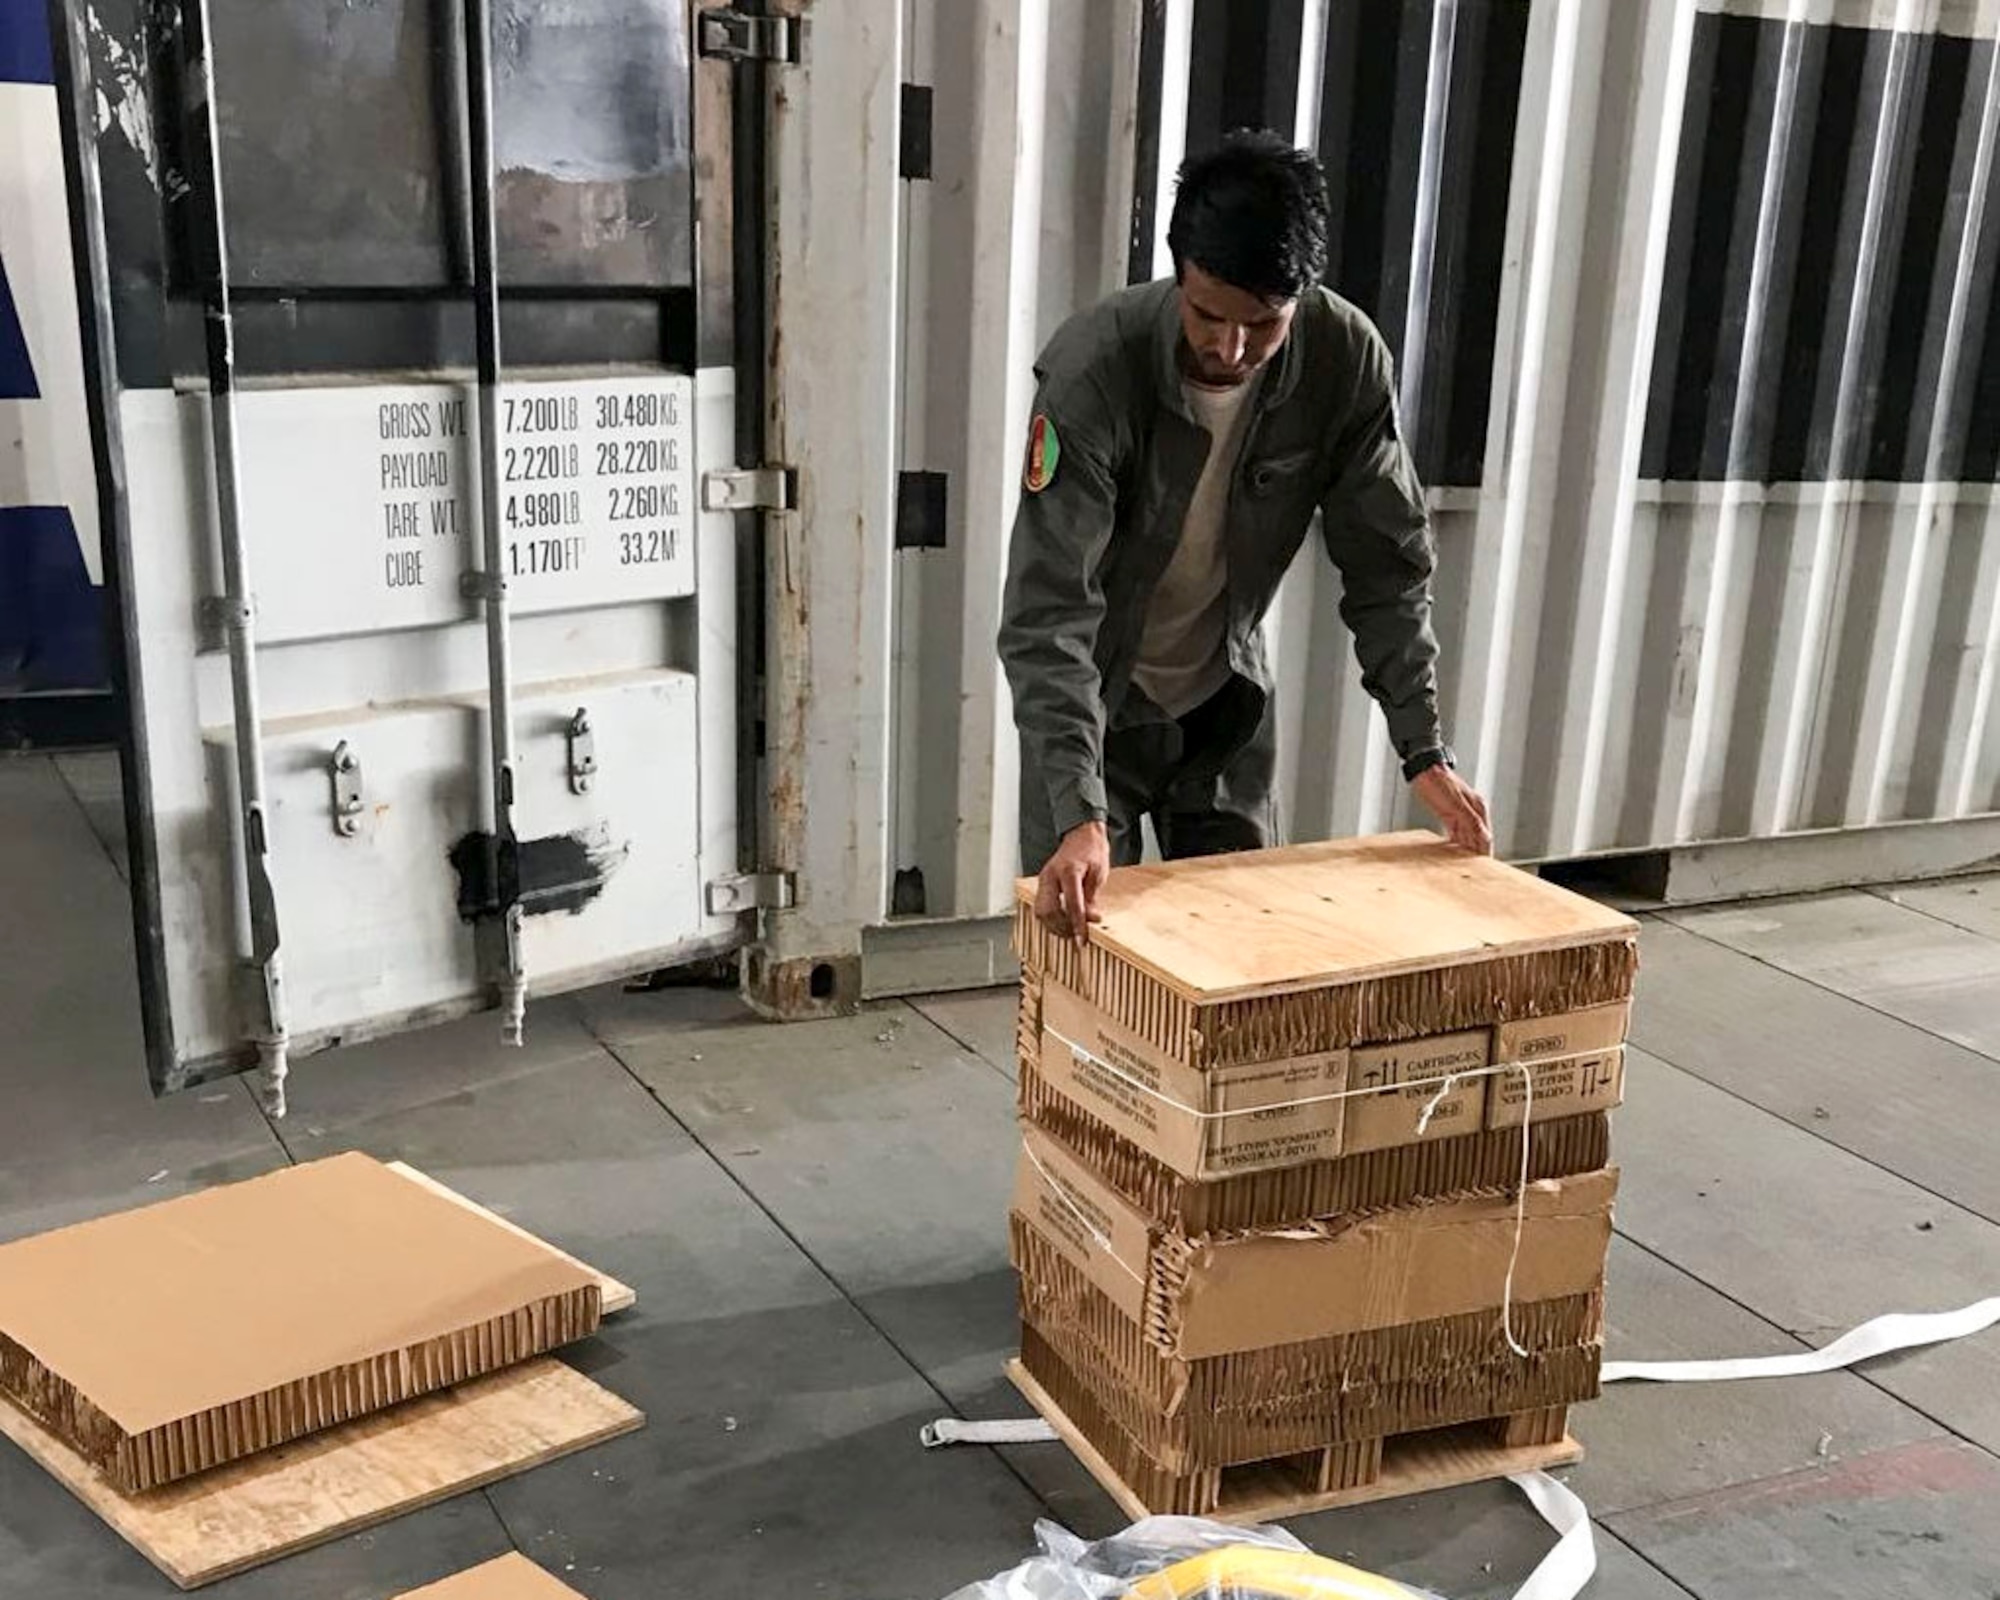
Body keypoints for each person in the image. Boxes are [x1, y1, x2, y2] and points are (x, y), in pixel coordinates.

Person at [999, 130, 1492, 943]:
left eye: (1262, 325)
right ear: (1178, 271)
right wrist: (1076, 810)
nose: (1230, 349)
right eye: (1207, 315)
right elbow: (1050, 612)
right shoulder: (1095, 371)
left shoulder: (1344, 361)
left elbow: (1388, 569)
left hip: (1224, 710)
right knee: (1087, 985)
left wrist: (1422, 749)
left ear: (1303, 292)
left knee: (1245, 972)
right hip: (1099, 716)